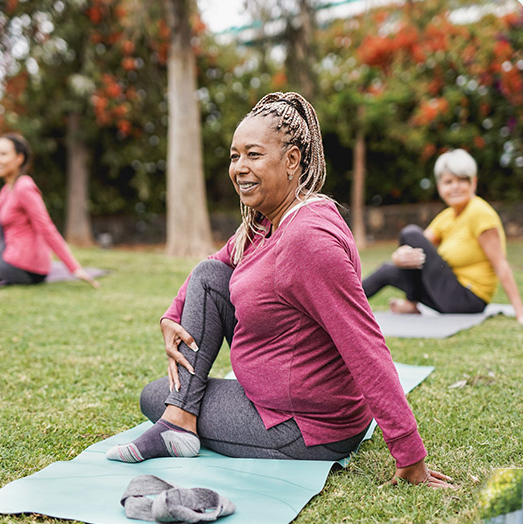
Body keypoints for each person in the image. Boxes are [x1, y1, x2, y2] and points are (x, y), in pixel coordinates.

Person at [106, 92, 452, 488]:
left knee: (154, 395)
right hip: (283, 400)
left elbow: (364, 343)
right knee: (208, 276)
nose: (239, 168)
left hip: (305, 427)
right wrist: (171, 313)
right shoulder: (268, 222)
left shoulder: (307, 239)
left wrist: (410, 455)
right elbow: (216, 264)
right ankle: (180, 419)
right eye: (234, 156)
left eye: (253, 154)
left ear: (291, 161)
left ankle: (178, 420)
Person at [362, 149, 523, 323]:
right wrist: (398, 257)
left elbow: (500, 264)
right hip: (446, 294)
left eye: (462, 180)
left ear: (473, 183)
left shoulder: (480, 213)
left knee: (409, 232)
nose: (455, 187)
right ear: (440, 187)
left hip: (468, 299)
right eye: (448, 182)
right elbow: (417, 246)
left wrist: (520, 311)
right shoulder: (448, 216)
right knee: (388, 270)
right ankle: (338, 306)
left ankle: (411, 303)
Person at [0, 133, 98, 290]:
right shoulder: (7, 189)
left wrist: (74, 268)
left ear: (19, 158)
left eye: (3, 154)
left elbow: (46, 228)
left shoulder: (24, 187)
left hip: (22, 266)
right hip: (10, 262)